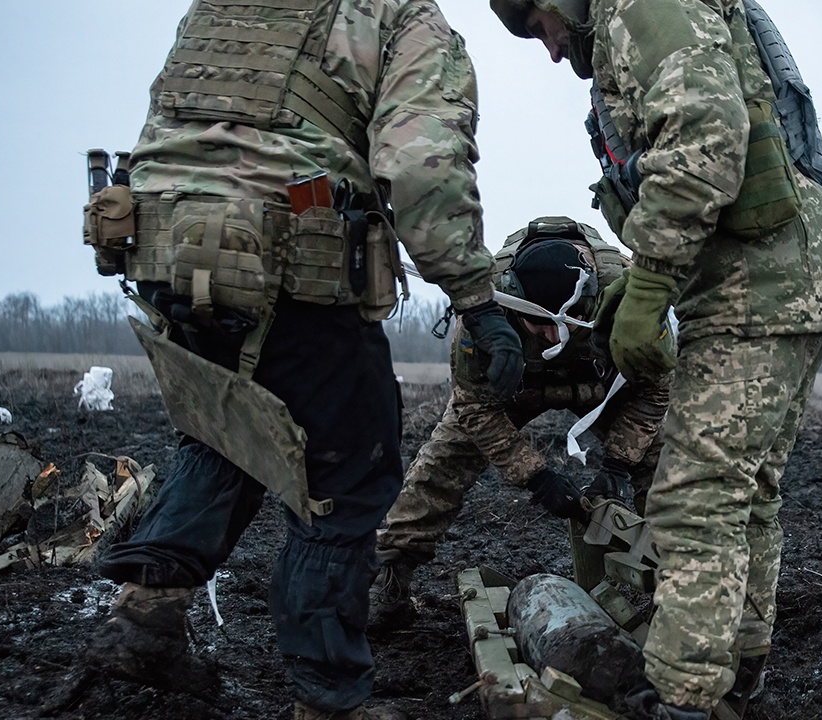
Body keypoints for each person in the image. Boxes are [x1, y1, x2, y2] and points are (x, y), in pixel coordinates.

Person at [81, 2, 524, 719]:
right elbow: (420, 165)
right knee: (347, 476)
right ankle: (328, 699)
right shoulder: (400, 13)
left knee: (227, 434)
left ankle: (145, 617)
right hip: (286, 254)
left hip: (160, 240)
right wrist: (477, 299)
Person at [487, 1, 822, 718]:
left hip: (756, 288)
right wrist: (637, 285)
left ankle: (684, 700)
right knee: (745, 498)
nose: (554, 52)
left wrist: (652, 282)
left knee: (692, 502)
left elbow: (705, 140)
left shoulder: (639, 5)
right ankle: (733, 681)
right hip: (785, 281)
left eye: (539, 28)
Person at [368, 215, 670, 633]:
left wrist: (619, 463)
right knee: (441, 464)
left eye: (565, 322)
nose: (552, 337)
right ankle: (390, 580)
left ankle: (677, 595)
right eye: (538, 324)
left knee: (669, 467)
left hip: (603, 385)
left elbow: (655, 391)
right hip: (514, 384)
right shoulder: (483, 308)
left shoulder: (627, 299)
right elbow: (474, 407)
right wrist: (536, 475)